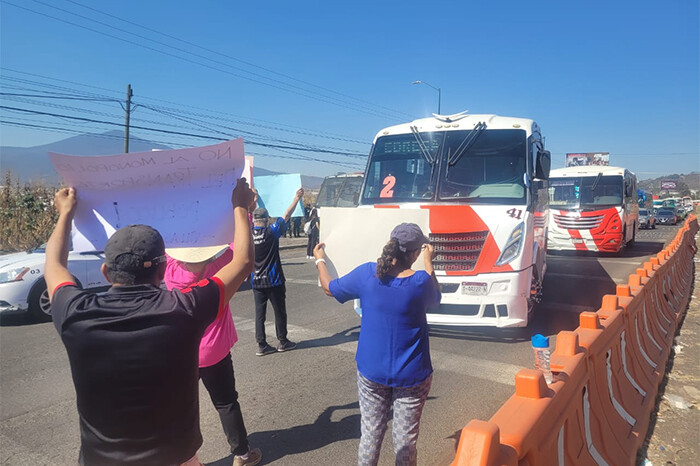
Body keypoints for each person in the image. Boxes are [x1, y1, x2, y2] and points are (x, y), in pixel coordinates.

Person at [45, 179, 256, 466]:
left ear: (106, 272)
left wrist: (65, 214)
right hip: (175, 457)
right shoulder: (185, 309)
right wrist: (240, 206)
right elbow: (242, 261)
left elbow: (54, 266)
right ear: (161, 272)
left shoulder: (74, 312)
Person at [312, 223, 440, 466]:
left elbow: (330, 288)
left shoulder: (366, 274)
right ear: (414, 253)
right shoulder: (421, 282)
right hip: (412, 375)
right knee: (405, 441)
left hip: (371, 371)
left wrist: (320, 259)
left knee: (370, 435)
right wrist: (429, 262)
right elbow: (436, 298)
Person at [165, 241, 262, 466]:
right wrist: (242, 212)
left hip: (182, 352)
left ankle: (185, 460)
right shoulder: (219, 267)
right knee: (226, 403)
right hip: (214, 352)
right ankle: (242, 455)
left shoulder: (170, 271)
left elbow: (168, 245)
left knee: (181, 408)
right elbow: (241, 249)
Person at [251, 187, 304, 356]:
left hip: (256, 280)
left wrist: (254, 199)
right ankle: (283, 341)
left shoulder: (248, 234)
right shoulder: (271, 232)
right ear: (267, 220)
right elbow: (287, 214)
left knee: (260, 314)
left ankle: (262, 344)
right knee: (279, 311)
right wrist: (296, 198)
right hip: (274, 281)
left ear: (253, 220)